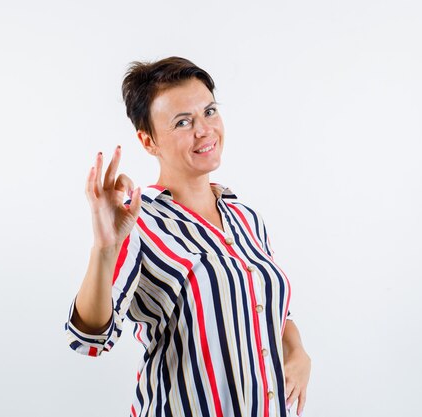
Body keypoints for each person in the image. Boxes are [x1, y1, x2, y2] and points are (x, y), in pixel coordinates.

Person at [64, 56, 311, 417]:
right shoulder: (137, 220)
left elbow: (269, 306)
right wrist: (105, 247)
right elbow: (88, 339)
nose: (204, 130)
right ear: (148, 141)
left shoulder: (245, 217)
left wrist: (298, 352)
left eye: (209, 112)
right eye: (183, 122)